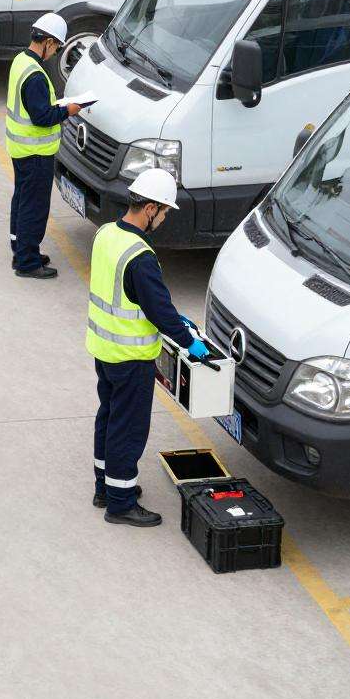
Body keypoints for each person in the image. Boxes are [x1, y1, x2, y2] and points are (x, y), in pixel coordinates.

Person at [86, 167, 209, 528]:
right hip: (132, 358)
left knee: (108, 417)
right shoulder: (140, 256)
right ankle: (121, 502)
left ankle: (105, 488)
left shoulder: (106, 233)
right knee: (129, 428)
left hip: (104, 348)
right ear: (151, 208)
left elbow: (128, 296)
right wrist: (191, 343)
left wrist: (172, 315)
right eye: (165, 211)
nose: (165, 218)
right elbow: (159, 313)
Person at [6, 14, 81, 278]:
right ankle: (27, 262)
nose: (56, 52)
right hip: (36, 152)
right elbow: (42, 117)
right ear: (48, 42)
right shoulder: (36, 76)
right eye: (57, 47)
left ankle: (20, 246)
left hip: (20, 149)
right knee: (35, 207)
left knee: (22, 199)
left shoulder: (21, 61)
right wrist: (70, 109)